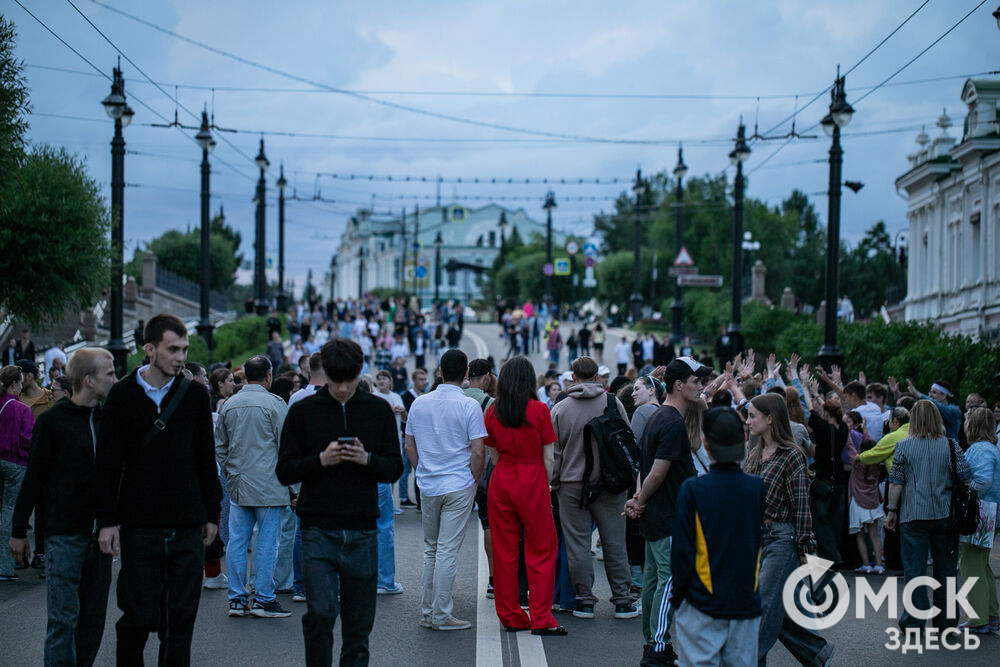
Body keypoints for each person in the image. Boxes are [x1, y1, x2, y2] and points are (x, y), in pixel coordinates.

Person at [95, 313, 222, 665]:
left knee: (179, 623)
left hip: (186, 525)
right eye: (172, 349)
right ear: (150, 349)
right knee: (137, 615)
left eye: (184, 349)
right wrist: (107, 520)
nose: (180, 357)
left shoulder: (195, 394)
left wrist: (212, 513)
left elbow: (205, 458)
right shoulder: (121, 395)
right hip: (139, 526)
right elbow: (107, 462)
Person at [276, 337, 403, 666]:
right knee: (320, 614)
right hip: (318, 527)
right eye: (336, 381)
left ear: (360, 372)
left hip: (362, 529)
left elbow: (395, 468)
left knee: (359, 627)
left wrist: (366, 459)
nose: (343, 388)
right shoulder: (303, 411)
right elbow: (284, 470)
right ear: (322, 374)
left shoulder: (377, 410)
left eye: (349, 380)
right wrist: (320, 460)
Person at [9, 348, 116, 665]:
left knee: (92, 623)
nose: (114, 379)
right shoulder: (54, 421)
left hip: (100, 541)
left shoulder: (107, 420)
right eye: (109, 373)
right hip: (64, 536)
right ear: (88, 379)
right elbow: (35, 477)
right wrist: (18, 531)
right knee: (62, 621)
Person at [624, 357, 708, 665]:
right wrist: (640, 500)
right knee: (669, 578)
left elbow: (646, 469)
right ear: (679, 384)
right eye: (697, 382)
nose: (701, 387)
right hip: (669, 514)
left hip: (657, 514)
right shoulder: (673, 422)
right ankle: (657, 646)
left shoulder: (659, 417)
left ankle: (653, 640)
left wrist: (638, 499)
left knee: (652, 580)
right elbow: (657, 472)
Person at [742, 393, 833, 666]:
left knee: (763, 609)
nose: (747, 421)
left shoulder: (792, 455)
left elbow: (801, 506)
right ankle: (817, 654)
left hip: (783, 539)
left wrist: (806, 548)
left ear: (770, 419)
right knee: (777, 612)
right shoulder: (754, 454)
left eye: (752, 416)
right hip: (758, 539)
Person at [671, 407, 763, 667]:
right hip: (745, 598)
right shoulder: (756, 487)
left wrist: (679, 598)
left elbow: (682, 552)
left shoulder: (693, 489)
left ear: (706, 445)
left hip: (702, 599)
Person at [404, 349, 487, 631]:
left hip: (429, 482)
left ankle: (428, 611)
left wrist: (421, 471)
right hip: (459, 482)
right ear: (465, 374)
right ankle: (441, 614)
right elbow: (478, 451)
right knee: (448, 550)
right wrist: (474, 481)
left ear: (439, 371)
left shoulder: (419, 403)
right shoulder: (469, 406)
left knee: (431, 549)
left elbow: (409, 445)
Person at [550, 356, 637, 621]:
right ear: (598, 377)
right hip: (610, 485)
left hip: (572, 485)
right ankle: (622, 601)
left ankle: (584, 601)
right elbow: (627, 438)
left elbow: (554, 454)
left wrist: (554, 483)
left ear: (573, 378)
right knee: (614, 544)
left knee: (577, 545)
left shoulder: (561, 409)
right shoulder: (613, 403)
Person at [483, 355, 565, 635]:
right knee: (542, 548)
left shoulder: (493, 411)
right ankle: (541, 618)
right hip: (532, 478)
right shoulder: (540, 409)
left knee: (504, 550)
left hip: (503, 477)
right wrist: (546, 483)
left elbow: (492, 452)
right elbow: (550, 458)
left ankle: (510, 616)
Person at [215, 355, 291, 619]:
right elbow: (286, 446)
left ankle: (237, 597)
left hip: (238, 480)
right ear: (268, 375)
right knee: (267, 543)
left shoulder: (230, 404)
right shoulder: (275, 403)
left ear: (245, 375)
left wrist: (230, 470)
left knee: (237, 541)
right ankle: (264, 598)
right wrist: (293, 486)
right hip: (270, 482)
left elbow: (220, 446)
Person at [886, 399, 971, 630]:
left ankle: (914, 622)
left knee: (915, 571)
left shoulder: (903, 446)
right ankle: (946, 623)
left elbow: (896, 483)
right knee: (946, 571)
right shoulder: (951, 445)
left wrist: (892, 511)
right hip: (945, 516)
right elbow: (965, 478)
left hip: (913, 516)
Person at [956, 407, 999, 633]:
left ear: (973, 425)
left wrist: (964, 487)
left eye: (967, 420)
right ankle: (991, 615)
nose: (964, 424)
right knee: (982, 566)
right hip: (989, 512)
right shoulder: (989, 447)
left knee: (970, 565)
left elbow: (982, 482)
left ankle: (977, 619)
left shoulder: (980, 449)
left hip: (979, 513)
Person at [372, 369, 405, 594]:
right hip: (380, 467)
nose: (382, 381)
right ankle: (384, 580)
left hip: (363, 471)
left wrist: (401, 412)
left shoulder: (393, 398)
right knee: (383, 526)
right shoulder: (377, 403)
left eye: (385, 378)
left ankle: (361, 580)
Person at [0, 365, 34, 582]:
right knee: (10, 512)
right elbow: (28, 440)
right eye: (20, 382)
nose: (22, 385)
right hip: (16, 463)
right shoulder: (22, 410)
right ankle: (5, 565)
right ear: (14, 384)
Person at [844, 413, 885, 574]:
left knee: (860, 535)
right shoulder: (876, 464)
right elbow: (869, 443)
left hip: (857, 501)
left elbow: (849, 447)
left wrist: (846, 430)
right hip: (873, 501)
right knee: (875, 536)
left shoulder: (857, 462)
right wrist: (865, 429)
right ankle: (879, 565)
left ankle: (866, 565)